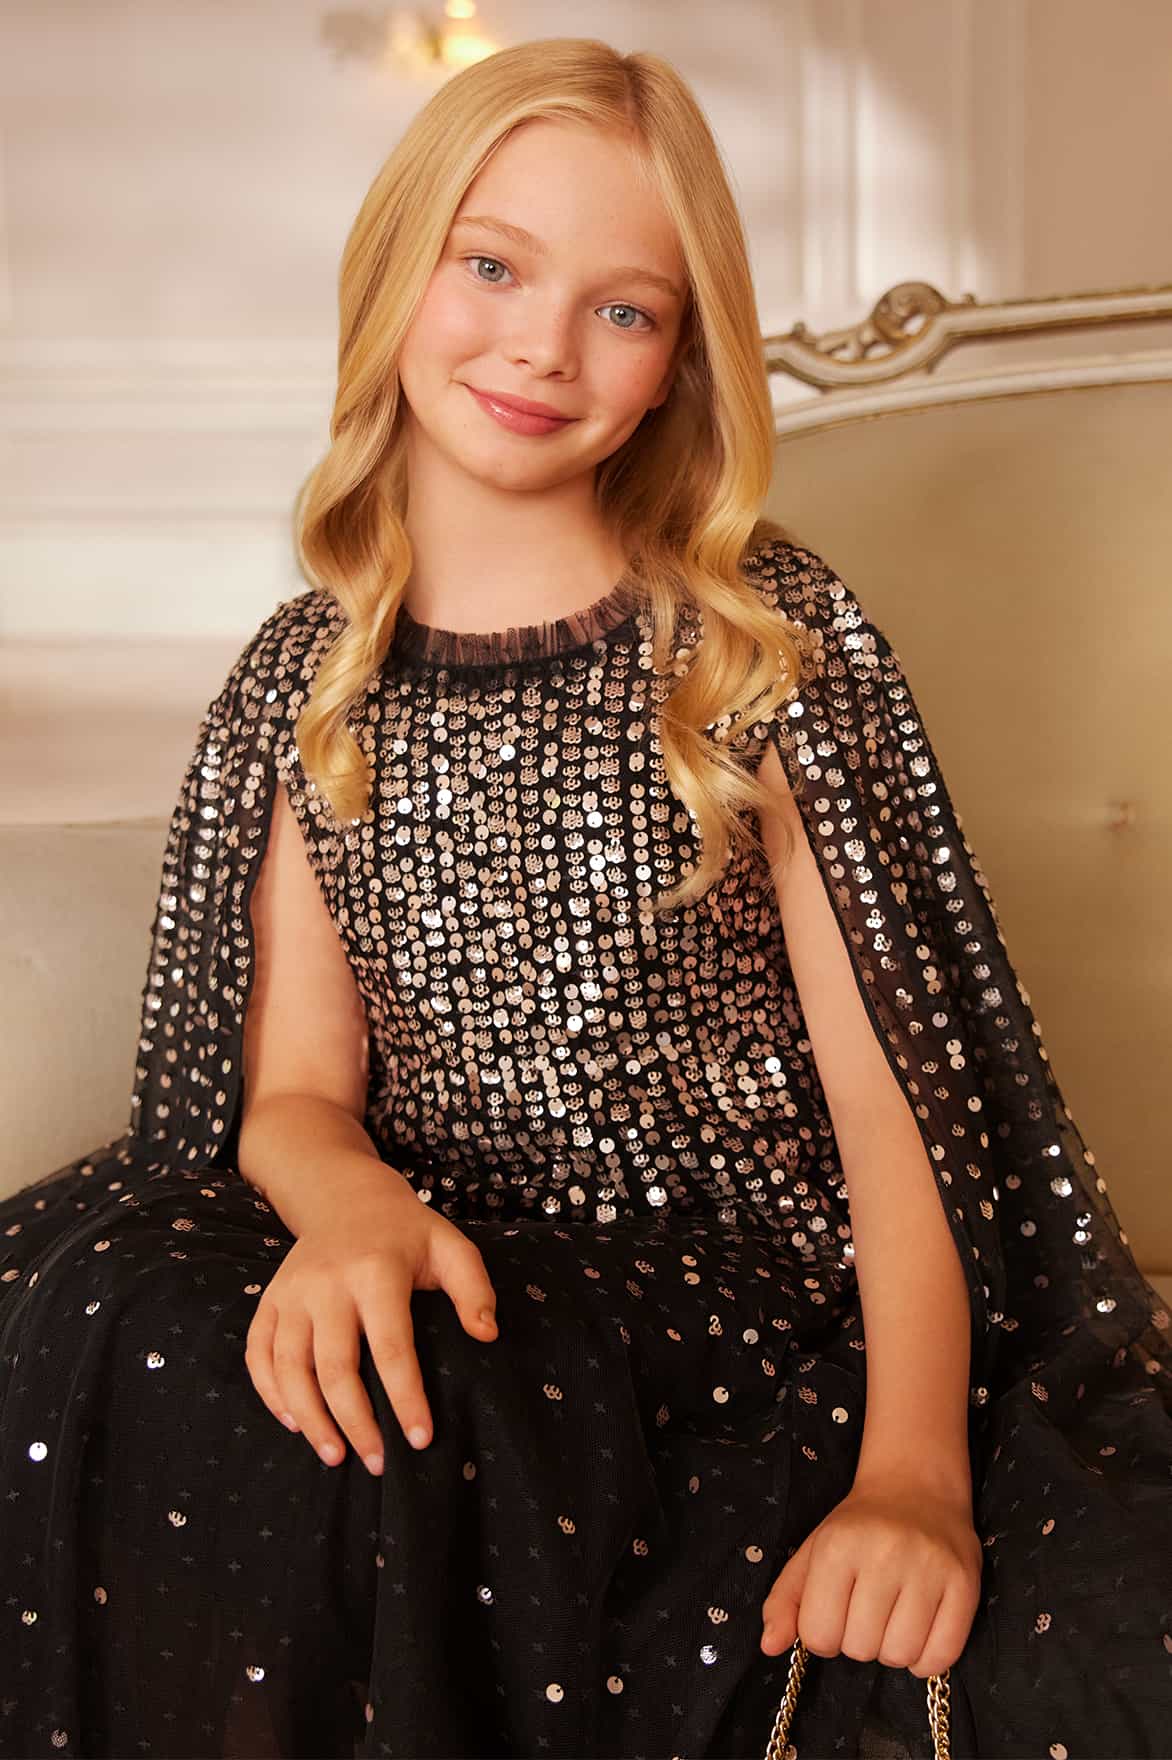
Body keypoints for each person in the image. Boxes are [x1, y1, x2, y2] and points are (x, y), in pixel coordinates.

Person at [1, 36, 1169, 1760]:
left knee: (449, 1398)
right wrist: (349, 1206)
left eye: (624, 308)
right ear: (397, 268)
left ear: (679, 361)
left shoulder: (760, 647)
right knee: (145, 1316)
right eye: (493, 267)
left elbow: (897, 1110)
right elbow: (295, 1093)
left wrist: (914, 1479)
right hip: (445, 1247)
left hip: (720, 1303)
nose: (544, 345)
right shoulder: (310, 681)